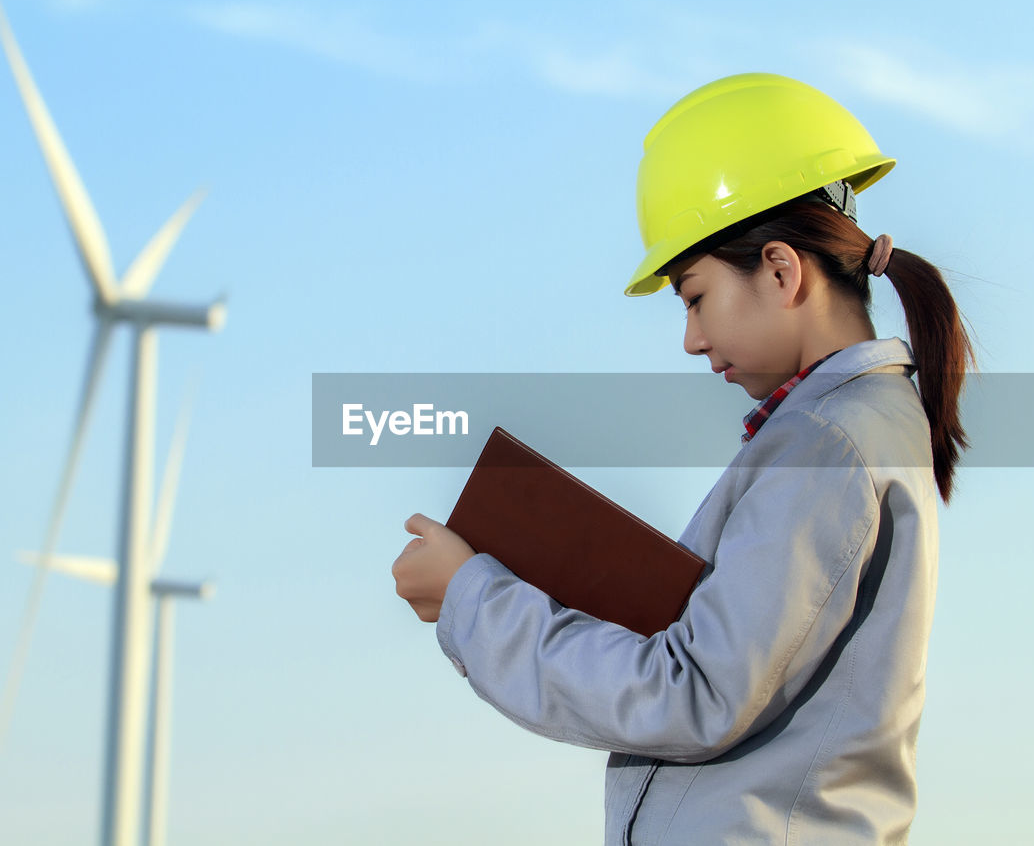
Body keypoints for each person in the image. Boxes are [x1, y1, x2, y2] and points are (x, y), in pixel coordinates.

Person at [392, 73, 972, 845]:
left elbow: (693, 692)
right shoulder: (842, 433)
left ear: (779, 270)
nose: (691, 339)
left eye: (694, 297)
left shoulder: (826, 446)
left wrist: (474, 599)